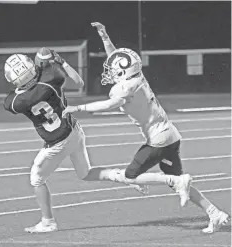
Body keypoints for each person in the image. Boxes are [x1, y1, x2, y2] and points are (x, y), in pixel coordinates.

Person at [62, 22, 230, 234]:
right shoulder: (136, 77)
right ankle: (215, 213)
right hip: (171, 136)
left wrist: (77, 107)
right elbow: (117, 59)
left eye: (114, 70)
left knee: (132, 175)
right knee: (178, 183)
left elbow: (107, 105)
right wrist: (105, 38)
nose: (110, 71)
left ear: (123, 72)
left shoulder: (124, 89)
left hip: (158, 140)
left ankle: (177, 181)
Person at [3, 48, 148, 233]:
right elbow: (79, 82)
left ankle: (48, 222)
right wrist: (58, 62)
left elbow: (10, 100)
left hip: (57, 142)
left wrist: (36, 71)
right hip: (74, 131)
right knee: (86, 173)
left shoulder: (17, 102)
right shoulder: (51, 79)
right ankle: (127, 178)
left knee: (37, 178)